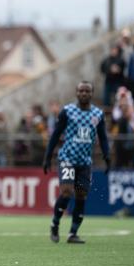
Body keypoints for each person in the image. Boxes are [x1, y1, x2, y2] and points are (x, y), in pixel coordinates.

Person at [42, 81, 110, 244]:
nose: (84, 93)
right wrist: (47, 157)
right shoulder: (68, 111)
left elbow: (103, 137)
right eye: (81, 90)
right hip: (67, 158)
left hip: (85, 162)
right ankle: (55, 224)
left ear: (92, 93)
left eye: (87, 90)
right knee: (66, 192)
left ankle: (73, 233)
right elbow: (55, 134)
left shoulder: (98, 114)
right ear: (76, 93)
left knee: (81, 196)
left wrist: (107, 157)